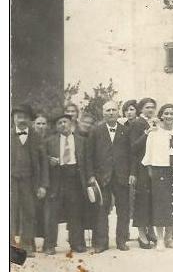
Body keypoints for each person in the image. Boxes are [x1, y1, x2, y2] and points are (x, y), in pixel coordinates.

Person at [141, 104, 173, 251]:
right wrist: (151, 170)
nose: (169, 116)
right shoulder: (154, 133)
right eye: (166, 113)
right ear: (161, 115)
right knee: (160, 204)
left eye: (172, 114)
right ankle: (160, 240)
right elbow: (149, 155)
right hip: (160, 170)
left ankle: (169, 238)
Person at [86, 101, 131, 253]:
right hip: (101, 177)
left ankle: (122, 241)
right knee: (101, 210)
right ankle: (101, 243)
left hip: (122, 176)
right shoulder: (95, 131)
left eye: (113, 110)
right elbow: (89, 155)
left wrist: (132, 174)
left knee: (123, 209)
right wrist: (91, 175)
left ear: (118, 112)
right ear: (103, 113)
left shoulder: (126, 130)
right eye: (107, 110)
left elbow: (131, 156)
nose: (111, 113)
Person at [43, 114, 87, 254]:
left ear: (71, 123)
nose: (63, 124)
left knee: (75, 212)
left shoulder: (81, 141)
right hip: (57, 178)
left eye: (65, 122)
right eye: (60, 122)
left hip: (74, 178)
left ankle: (77, 244)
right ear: (56, 126)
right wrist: (49, 160)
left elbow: (87, 160)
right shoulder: (50, 141)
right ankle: (49, 245)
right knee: (52, 213)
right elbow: (42, 159)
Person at [11, 104, 48, 256]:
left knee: (29, 213)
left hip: (30, 181)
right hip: (10, 182)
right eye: (18, 117)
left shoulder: (36, 138)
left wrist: (43, 185)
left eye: (24, 117)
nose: (21, 120)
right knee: (10, 213)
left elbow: (44, 162)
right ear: (13, 118)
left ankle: (26, 247)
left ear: (29, 120)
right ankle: (11, 248)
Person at [129, 97, 158, 249]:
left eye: (152, 107)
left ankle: (151, 230)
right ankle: (141, 234)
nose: (150, 109)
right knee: (142, 201)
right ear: (141, 109)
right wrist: (146, 133)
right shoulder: (137, 123)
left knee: (152, 199)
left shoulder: (155, 123)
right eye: (147, 107)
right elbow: (133, 148)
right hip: (141, 167)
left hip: (154, 166)